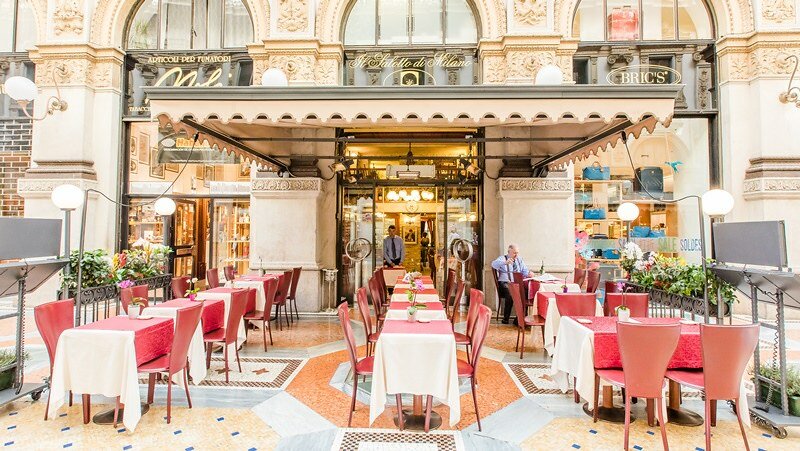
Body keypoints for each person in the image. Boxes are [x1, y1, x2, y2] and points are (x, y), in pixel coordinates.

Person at [491, 244, 534, 324]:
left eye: (517, 253)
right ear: (509, 252)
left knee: (526, 292)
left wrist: (529, 273)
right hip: (505, 283)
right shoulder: (503, 258)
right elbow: (493, 264)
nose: (516, 255)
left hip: (517, 283)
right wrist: (504, 262)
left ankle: (519, 319)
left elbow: (524, 271)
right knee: (510, 292)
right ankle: (506, 318)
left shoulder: (519, 260)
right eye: (514, 253)